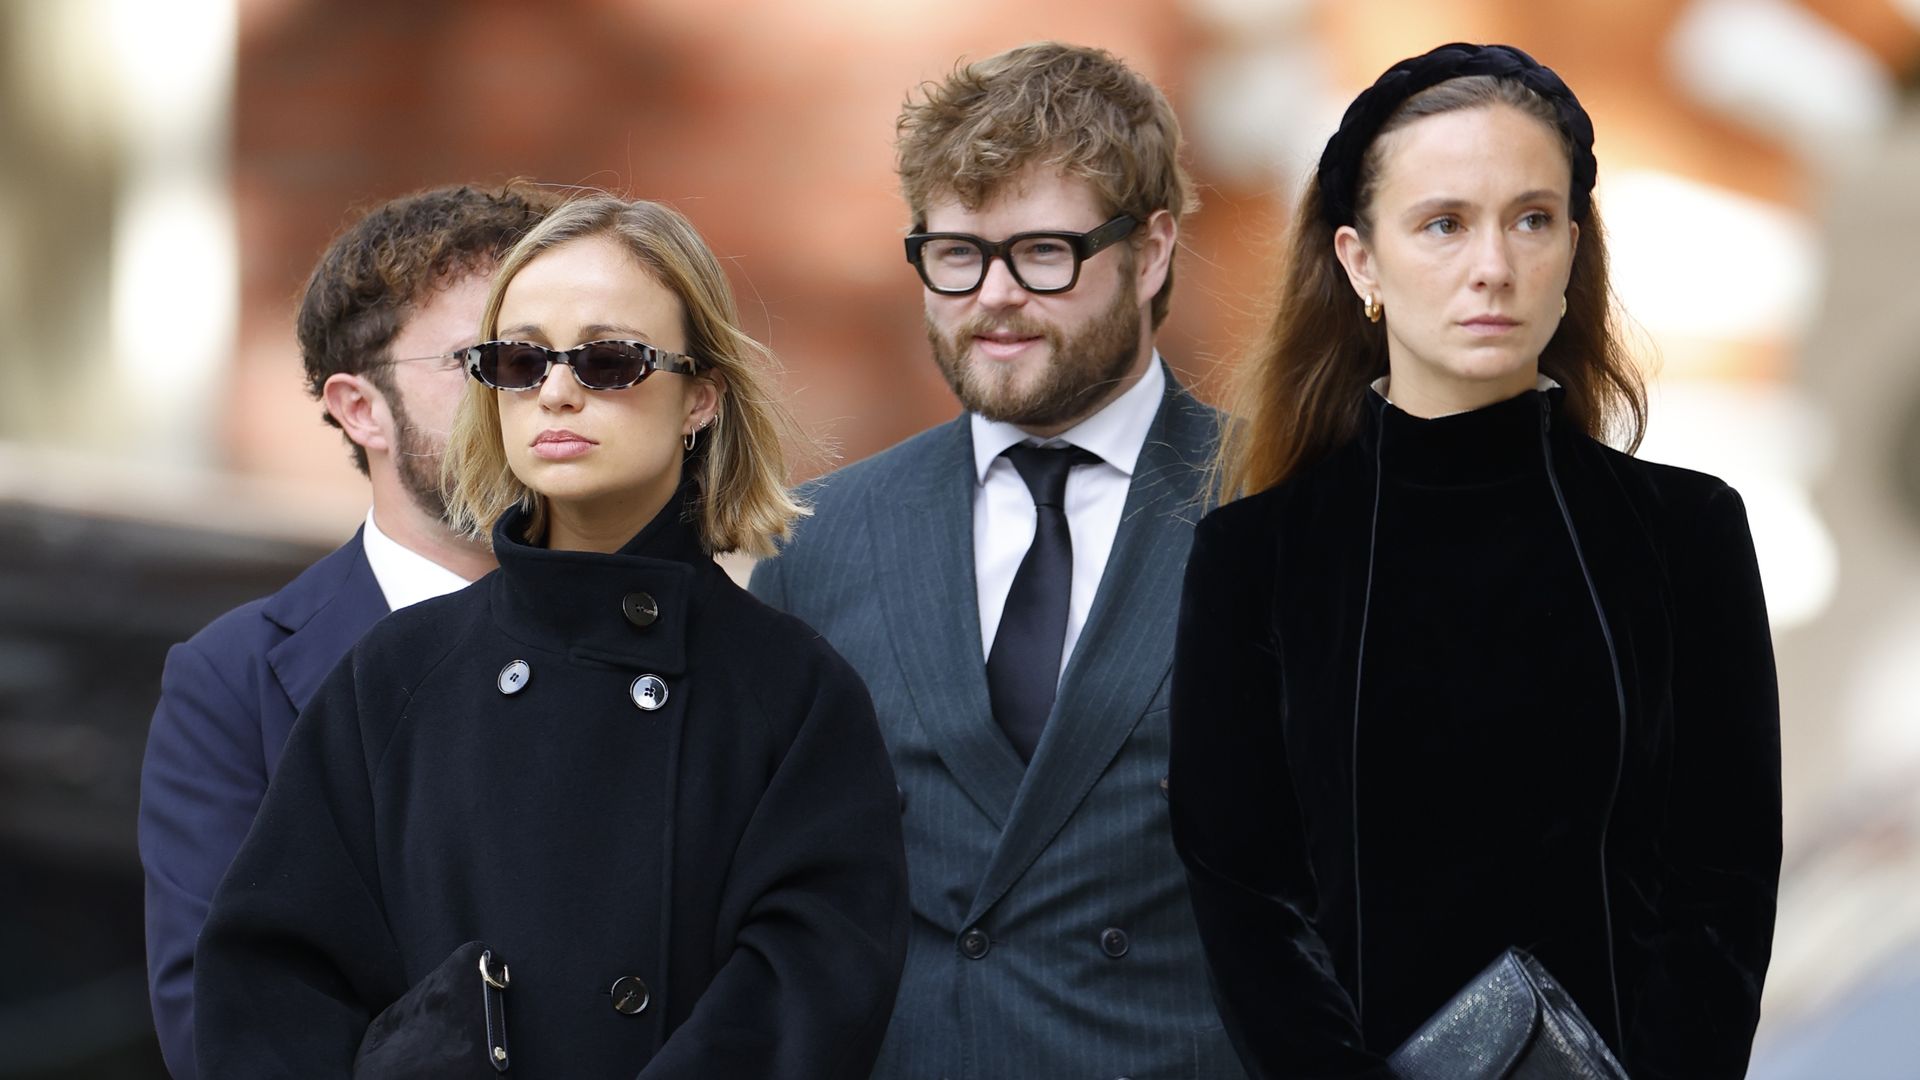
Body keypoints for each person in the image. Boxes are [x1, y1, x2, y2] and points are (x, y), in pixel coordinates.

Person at [1169, 43, 1782, 1079]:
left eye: (1531, 219)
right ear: (1361, 262)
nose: (1492, 264)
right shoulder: (1253, 558)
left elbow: (1723, 884)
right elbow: (1243, 897)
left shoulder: (1687, 534)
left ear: (1572, 252)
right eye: (1444, 223)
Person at [192, 194, 909, 1077]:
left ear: (700, 397)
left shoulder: (793, 693)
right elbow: (269, 989)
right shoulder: (396, 674)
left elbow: (809, 1000)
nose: (557, 390)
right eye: (518, 360)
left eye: (610, 360)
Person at [750, 42, 1242, 1078]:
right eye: (958, 254)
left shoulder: (1284, 507)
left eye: (1045, 253)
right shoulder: (823, 536)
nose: (995, 297)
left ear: (1151, 253)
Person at [137, 181, 555, 1079]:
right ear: (361, 408)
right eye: (482, 360)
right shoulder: (233, 679)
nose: (531, 390)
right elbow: (221, 1033)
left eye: (545, 356)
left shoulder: (690, 642)